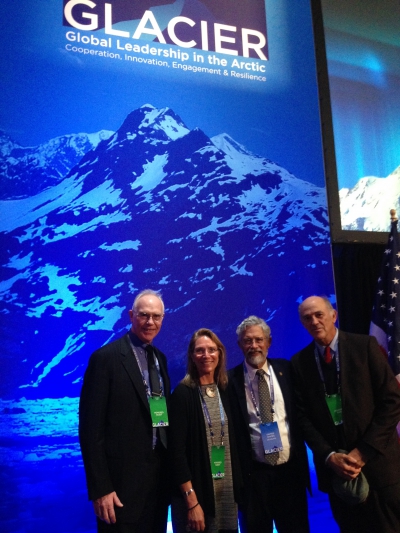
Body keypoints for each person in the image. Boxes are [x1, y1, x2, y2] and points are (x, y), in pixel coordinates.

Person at [292, 295, 400, 533]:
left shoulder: (365, 347)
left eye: (319, 314)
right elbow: (302, 418)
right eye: (307, 318)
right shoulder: (299, 363)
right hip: (337, 475)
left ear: (333, 315)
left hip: (379, 468)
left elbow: (392, 402)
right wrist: (329, 456)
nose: (314, 321)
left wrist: (363, 452)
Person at [79, 289, 170, 533]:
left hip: (157, 485)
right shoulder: (105, 359)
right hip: (119, 490)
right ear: (131, 315)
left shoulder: (160, 359)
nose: (150, 322)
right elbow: (90, 430)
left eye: (156, 316)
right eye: (144, 315)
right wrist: (101, 488)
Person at [228, 316, 310, 533]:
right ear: (239, 345)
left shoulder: (287, 370)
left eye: (258, 339)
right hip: (254, 479)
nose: (253, 346)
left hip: (290, 475)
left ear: (268, 342)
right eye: (247, 341)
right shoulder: (229, 381)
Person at [169, 328, 243, 533]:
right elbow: (176, 455)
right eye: (200, 350)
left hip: (226, 494)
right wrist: (192, 503)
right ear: (192, 356)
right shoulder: (182, 395)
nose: (206, 355)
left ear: (220, 353)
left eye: (212, 349)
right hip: (196, 497)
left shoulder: (226, 391)